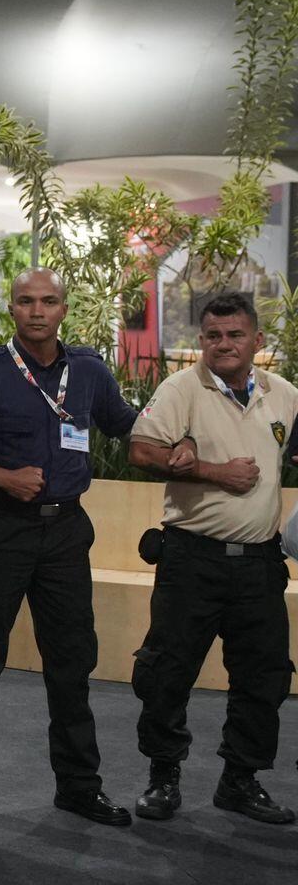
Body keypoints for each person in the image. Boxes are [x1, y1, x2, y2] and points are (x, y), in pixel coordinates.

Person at [0, 267, 141, 825]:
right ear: (11, 309)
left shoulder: (88, 371)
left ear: (64, 309)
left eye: (49, 301)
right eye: (26, 301)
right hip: (2, 531)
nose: (38, 311)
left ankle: (79, 787)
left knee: (71, 662)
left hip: (66, 533)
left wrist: (184, 441)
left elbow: (127, 426)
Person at [123, 292, 296, 824]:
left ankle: (240, 781)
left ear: (257, 340)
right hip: (191, 559)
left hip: (260, 565)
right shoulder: (181, 389)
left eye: (235, 335)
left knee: (264, 677)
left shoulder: (285, 395)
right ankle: (163, 777)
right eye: (214, 336)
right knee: (167, 672)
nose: (224, 344)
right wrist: (213, 472)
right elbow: (141, 451)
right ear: (201, 340)